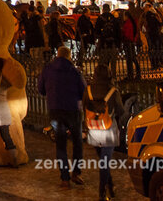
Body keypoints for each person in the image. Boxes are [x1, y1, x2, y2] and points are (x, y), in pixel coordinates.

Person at [38, 45, 87, 187]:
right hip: (73, 111)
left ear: (57, 55)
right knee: (77, 142)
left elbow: (41, 89)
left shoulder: (47, 70)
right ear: (69, 56)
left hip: (55, 110)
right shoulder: (74, 71)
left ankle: (64, 178)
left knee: (61, 144)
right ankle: (76, 173)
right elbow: (83, 91)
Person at [83, 64, 125, 201]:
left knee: (103, 160)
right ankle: (102, 192)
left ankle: (111, 186)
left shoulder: (88, 90)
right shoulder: (113, 91)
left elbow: (83, 106)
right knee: (105, 162)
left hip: (93, 128)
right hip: (108, 129)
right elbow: (121, 111)